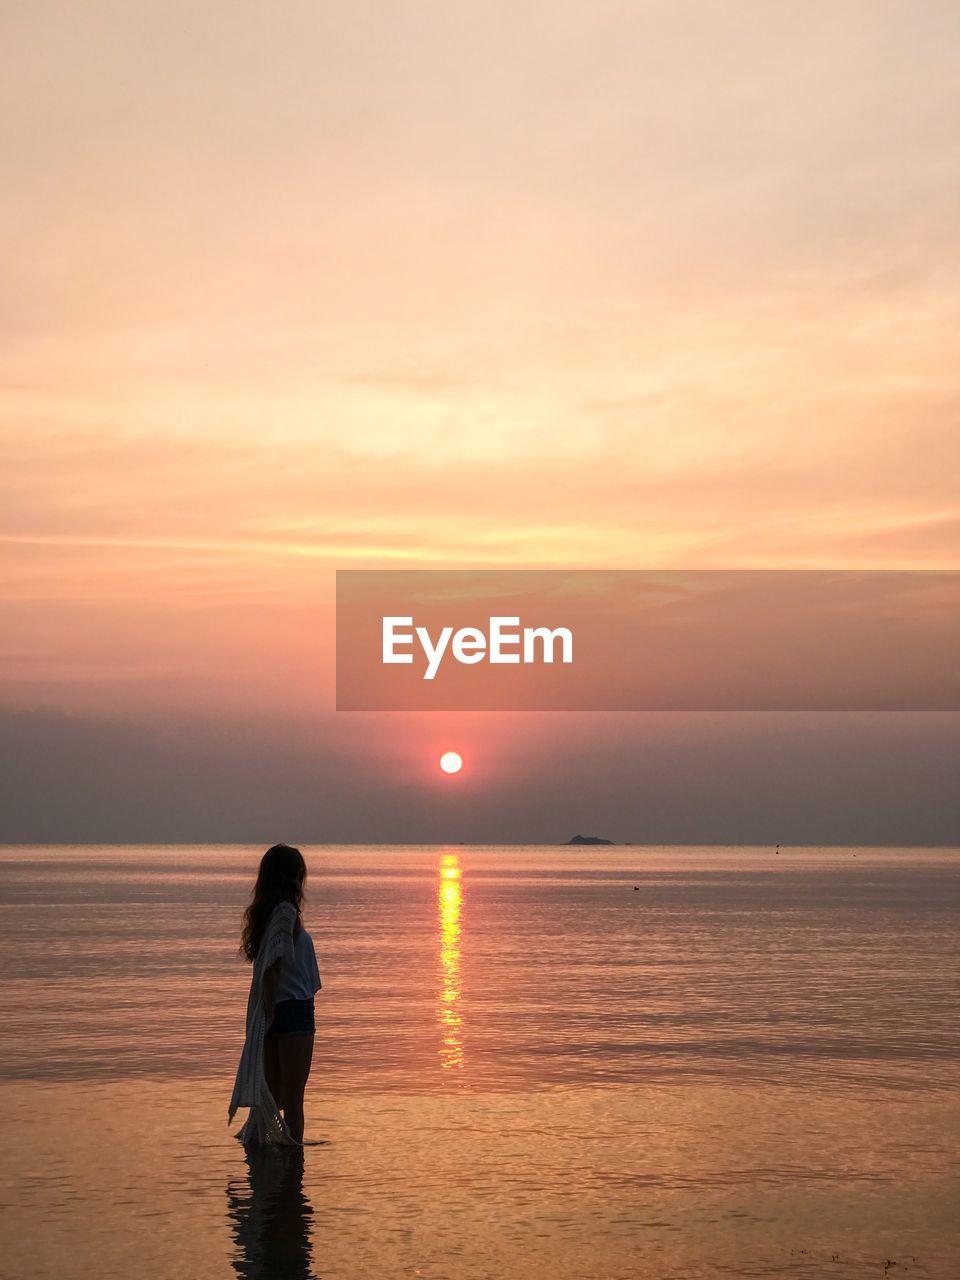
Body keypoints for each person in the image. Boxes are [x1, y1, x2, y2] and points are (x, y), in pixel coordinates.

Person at [229, 844, 322, 1145]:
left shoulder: (268, 914)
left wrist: (267, 1016)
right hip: (292, 1009)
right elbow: (272, 967)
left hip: (279, 1010)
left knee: (273, 1095)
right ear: (292, 876)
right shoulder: (285, 912)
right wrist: (269, 1014)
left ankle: (262, 1158)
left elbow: (269, 964)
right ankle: (294, 1164)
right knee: (293, 1098)